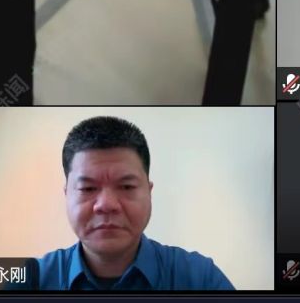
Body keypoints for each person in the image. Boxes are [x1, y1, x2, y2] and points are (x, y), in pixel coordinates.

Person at [25, 116, 234, 290]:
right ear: (67, 195)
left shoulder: (199, 278)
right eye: (88, 188)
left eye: (126, 187)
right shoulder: (31, 279)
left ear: (149, 192)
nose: (106, 204)